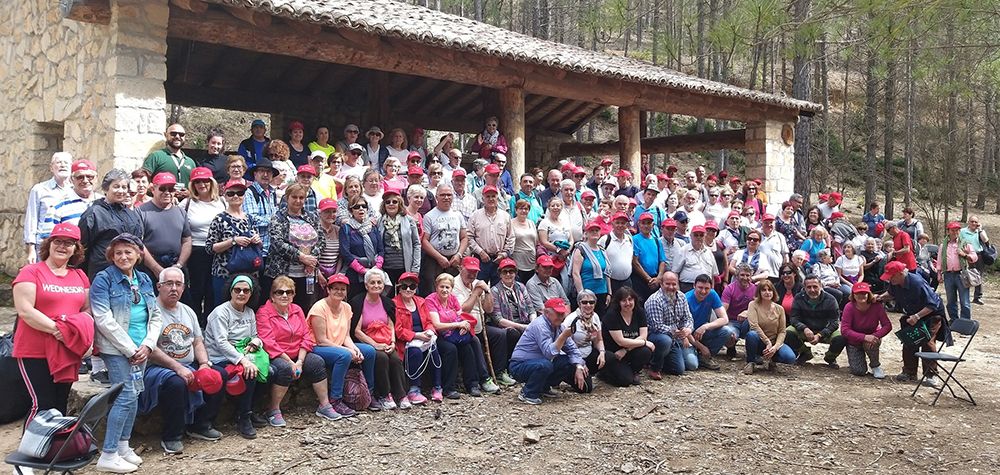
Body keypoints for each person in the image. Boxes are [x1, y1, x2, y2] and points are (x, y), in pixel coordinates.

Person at [11, 222, 92, 440]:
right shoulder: (31, 272)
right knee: (42, 405)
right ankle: (27, 457)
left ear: (76, 249)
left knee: (59, 406)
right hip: (34, 350)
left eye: (69, 243)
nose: (63, 246)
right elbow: (25, 310)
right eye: (58, 241)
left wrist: (79, 335)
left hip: (67, 350)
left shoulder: (80, 276)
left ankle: (52, 451)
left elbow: (86, 309)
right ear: (49, 243)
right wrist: (57, 329)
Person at [90, 233, 163, 472]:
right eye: (118, 252)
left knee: (134, 394)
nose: (123, 256)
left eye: (128, 252)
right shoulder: (104, 279)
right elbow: (102, 318)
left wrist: (148, 345)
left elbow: (155, 315)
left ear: (138, 254)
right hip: (117, 349)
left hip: (141, 348)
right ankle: (108, 454)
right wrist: (131, 349)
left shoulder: (143, 279)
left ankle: (123, 445)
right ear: (111, 255)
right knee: (125, 396)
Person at [140, 267, 220, 454]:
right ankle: (172, 436)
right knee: (177, 383)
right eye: (169, 284)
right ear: (158, 286)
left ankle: (200, 425)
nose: (174, 288)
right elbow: (150, 349)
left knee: (218, 375)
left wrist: (203, 365)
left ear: (184, 288)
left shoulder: (188, 311)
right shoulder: (150, 311)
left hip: (188, 363)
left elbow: (198, 341)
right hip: (157, 367)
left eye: (178, 284)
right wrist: (177, 367)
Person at [203, 275, 263, 438]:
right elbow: (221, 343)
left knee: (271, 371)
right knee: (249, 373)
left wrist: (256, 342)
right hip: (219, 358)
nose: (241, 293)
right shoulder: (220, 313)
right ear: (231, 291)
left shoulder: (249, 312)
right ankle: (244, 417)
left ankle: (248, 410)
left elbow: (255, 335)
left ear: (251, 293)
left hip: (243, 355)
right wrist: (243, 361)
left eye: (246, 290)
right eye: (237, 289)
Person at [508, 297, 592, 405]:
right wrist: (563, 336)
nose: (561, 317)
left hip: (538, 362)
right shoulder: (540, 325)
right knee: (545, 365)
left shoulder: (560, 326)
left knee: (567, 362)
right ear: (547, 313)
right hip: (520, 365)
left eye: (563, 314)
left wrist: (578, 366)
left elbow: (572, 349)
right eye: (558, 314)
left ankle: (543, 387)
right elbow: (549, 353)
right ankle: (528, 393)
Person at [879, 261, 947, 386]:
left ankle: (931, 375)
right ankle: (909, 372)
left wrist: (917, 316)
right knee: (909, 340)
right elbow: (891, 294)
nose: (889, 279)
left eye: (891, 276)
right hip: (913, 314)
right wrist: (880, 297)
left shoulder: (917, 283)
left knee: (927, 342)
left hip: (931, 314)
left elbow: (932, 304)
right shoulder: (895, 283)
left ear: (900, 274)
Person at [425, 273, 491, 398]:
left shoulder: (453, 299)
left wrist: (465, 326)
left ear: (451, 289)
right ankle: (449, 387)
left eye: (447, 287)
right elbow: (437, 325)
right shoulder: (430, 300)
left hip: (453, 334)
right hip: (438, 335)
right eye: (442, 287)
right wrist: (457, 324)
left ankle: (472, 384)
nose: (444, 290)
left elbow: (462, 316)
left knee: (467, 346)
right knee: (451, 349)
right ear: (436, 287)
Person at [351, 270, 409, 410]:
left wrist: (393, 343)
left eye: (379, 282)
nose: (376, 285)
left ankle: (401, 395)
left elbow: (391, 325)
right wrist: (375, 345)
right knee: (381, 357)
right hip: (367, 341)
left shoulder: (387, 302)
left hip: (385, 340)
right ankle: (384, 394)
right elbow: (356, 331)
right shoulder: (358, 302)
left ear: (383, 285)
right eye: (372, 282)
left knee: (395, 358)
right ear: (366, 285)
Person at [264, 183, 324, 311]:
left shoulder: (312, 217)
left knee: (305, 309)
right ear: (287, 197)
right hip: (284, 273)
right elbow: (277, 243)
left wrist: (311, 259)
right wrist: (301, 257)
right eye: (294, 197)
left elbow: (321, 240)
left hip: (307, 274)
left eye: (301, 198)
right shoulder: (278, 218)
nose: (298, 201)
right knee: (282, 309)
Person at [205, 179, 264, 304]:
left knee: (249, 307)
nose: (236, 196)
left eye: (240, 193)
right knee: (223, 308)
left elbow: (260, 245)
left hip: (249, 272)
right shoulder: (219, 219)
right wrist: (233, 241)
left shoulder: (250, 218)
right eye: (231, 194)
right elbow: (210, 247)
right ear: (225, 196)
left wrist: (257, 241)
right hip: (225, 273)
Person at [179, 167, 225, 324]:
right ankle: (195, 322)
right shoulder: (187, 203)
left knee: (213, 289)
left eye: (205, 180)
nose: (201, 184)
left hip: (219, 250)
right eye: (197, 181)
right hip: (196, 250)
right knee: (197, 289)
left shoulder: (222, 202)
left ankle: (211, 322)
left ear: (211, 182)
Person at [391, 272, 444, 403]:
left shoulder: (421, 301)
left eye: (412, 286)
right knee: (415, 352)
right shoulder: (394, 304)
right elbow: (398, 330)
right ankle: (414, 389)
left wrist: (430, 331)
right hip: (405, 342)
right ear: (399, 287)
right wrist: (416, 335)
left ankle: (437, 387)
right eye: (404, 286)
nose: (408, 289)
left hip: (424, 338)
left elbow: (428, 322)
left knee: (434, 349)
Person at [138, 172, 192, 283]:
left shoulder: (181, 212)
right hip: (149, 269)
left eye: (171, 189)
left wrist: (179, 265)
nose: (167, 192)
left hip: (176, 266)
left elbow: (187, 240)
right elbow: (138, 243)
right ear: (153, 189)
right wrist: (156, 268)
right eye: (162, 188)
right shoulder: (141, 212)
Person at [644, 272, 697, 377]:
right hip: (657, 337)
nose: (671, 287)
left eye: (674, 284)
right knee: (665, 341)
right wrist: (676, 332)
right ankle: (653, 364)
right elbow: (657, 326)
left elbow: (688, 318)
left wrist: (687, 330)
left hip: (677, 337)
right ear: (661, 284)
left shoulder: (681, 296)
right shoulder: (655, 300)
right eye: (667, 284)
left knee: (687, 367)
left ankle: (665, 358)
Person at [785, 275, 845, 368]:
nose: (812, 290)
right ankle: (805, 353)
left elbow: (835, 322)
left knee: (840, 338)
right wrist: (804, 328)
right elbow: (794, 318)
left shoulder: (831, 299)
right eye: (809, 287)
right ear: (804, 288)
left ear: (821, 286)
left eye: (815, 286)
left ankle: (830, 358)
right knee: (788, 332)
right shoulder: (798, 298)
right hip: (805, 329)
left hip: (824, 330)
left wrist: (820, 334)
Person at [23, 152, 72, 263]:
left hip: (69, 245)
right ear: (51, 167)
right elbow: (32, 219)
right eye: (59, 162)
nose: (63, 165)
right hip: (45, 244)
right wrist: (31, 250)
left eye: (66, 163)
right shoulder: (39, 189)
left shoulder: (75, 191)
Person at [600, 287, 654, 386]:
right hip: (614, 353)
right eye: (624, 300)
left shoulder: (639, 312)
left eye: (630, 299)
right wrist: (645, 342)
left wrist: (626, 350)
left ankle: (634, 371)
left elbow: (643, 335)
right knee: (625, 381)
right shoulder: (612, 315)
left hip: (627, 350)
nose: (628, 303)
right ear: (618, 302)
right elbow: (620, 341)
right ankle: (605, 373)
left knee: (645, 351)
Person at [420, 184, 468, 294]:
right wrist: (439, 257)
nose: (446, 197)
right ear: (436, 197)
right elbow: (425, 241)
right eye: (442, 195)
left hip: (454, 259)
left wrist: (459, 255)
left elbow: (464, 237)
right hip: (434, 260)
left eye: (449, 195)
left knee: (453, 290)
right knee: (432, 289)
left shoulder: (458, 215)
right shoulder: (429, 216)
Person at [741, 280, 796, 374]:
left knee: (790, 358)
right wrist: (767, 342)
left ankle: (773, 360)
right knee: (751, 335)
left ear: (773, 292)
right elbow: (754, 325)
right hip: (760, 341)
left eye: (770, 290)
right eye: (764, 290)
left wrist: (775, 347)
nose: (767, 292)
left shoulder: (780, 309)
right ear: (759, 292)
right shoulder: (753, 305)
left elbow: (782, 331)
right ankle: (751, 362)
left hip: (774, 342)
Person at [840, 282, 892, 379]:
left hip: (872, 338)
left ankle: (875, 365)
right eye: (858, 293)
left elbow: (887, 325)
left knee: (873, 342)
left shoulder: (877, 306)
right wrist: (864, 337)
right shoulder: (849, 307)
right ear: (853, 295)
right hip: (854, 341)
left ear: (869, 294)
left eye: (864, 293)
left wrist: (875, 336)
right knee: (859, 371)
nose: (861, 296)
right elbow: (845, 330)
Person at [684, 274, 736, 370]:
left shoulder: (712, 294)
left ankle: (705, 357)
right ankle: (699, 353)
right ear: (694, 286)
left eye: (706, 288)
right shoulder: (686, 299)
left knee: (727, 331)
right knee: (692, 365)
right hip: (688, 336)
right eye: (700, 288)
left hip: (702, 333)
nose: (703, 291)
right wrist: (701, 346)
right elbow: (683, 329)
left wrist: (705, 326)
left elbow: (724, 318)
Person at [468, 185, 514, 286]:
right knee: (479, 288)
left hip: (499, 259)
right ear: (482, 198)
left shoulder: (505, 216)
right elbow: (469, 237)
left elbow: (510, 237)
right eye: (488, 196)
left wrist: (504, 254)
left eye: (493, 196)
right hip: (481, 259)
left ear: (497, 197)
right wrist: (480, 252)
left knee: (499, 290)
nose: (491, 199)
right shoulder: (475, 216)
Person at [376, 186, 421, 288]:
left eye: (394, 202)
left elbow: (416, 244)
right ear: (384, 205)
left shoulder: (409, 220)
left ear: (399, 203)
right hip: (386, 268)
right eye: (388, 202)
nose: (391, 204)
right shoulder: (379, 222)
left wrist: (415, 268)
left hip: (405, 267)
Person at [340, 194, 384, 299]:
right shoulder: (346, 228)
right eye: (356, 207)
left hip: (374, 274)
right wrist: (362, 270)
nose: (361, 209)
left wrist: (376, 268)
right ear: (351, 211)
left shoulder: (373, 227)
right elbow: (345, 253)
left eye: (363, 206)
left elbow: (381, 250)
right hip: (355, 276)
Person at [938, 221, 978, 322]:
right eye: (953, 230)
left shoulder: (965, 244)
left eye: (957, 230)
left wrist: (964, 255)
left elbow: (974, 257)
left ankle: (965, 321)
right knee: (951, 300)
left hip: (961, 274)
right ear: (948, 231)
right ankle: (954, 320)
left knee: (964, 301)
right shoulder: (943, 245)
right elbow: (939, 261)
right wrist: (939, 273)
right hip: (948, 275)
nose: (955, 232)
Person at [571, 220, 612, 316]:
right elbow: (575, 273)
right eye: (591, 230)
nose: (594, 232)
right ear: (586, 233)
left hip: (602, 292)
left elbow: (607, 273)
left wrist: (609, 292)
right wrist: (581, 295)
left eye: (597, 230)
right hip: (587, 294)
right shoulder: (580, 249)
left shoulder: (602, 250)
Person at [567, 290, 607, 375]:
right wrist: (579, 362)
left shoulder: (595, 316)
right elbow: (567, 347)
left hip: (589, 352)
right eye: (584, 302)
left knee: (610, 358)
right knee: (586, 388)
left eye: (591, 302)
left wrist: (602, 353)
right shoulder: (571, 320)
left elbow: (599, 340)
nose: (588, 305)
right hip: (574, 357)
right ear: (579, 303)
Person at [52, 159, 100, 227]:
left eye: (89, 177)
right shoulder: (58, 206)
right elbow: (47, 236)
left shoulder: (105, 203)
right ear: (72, 179)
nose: (85, 181)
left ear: (96, 178)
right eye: (80, 177)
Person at [632, 212, 668, 301]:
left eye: (648, 223)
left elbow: (662, 261)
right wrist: (648, 279)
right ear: (639, 224)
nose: (646, 226)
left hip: (655, 279)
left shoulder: (656, 240)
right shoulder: (635, 239)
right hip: (640, 280)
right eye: (643, 223)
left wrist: (659, 278)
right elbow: (635, 262)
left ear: (653, 225)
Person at [672, 225, 719, 292]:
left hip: (706, 288)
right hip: (687, 287)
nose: (699, 237)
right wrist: (678, 291)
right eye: (696, 235)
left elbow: (712, 274)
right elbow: (675, 272)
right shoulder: (683, 250)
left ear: (705, 236)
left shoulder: (709, 252)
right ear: (691, 236)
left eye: (701, 235)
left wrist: (712, 290)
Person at [600, 212, 634, 295]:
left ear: (626, 225)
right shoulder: (605, 240)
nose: (620, 225)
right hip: (611, 282)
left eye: (623, 223)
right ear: (612, 223)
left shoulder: (629, 239)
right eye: (617, 223)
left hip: (627, 282)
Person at [526, 255, 569, 319]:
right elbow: (541, 310)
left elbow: (566, 303)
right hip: (545, 319)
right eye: (544, 267)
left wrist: (566, 319)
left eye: (550, 267)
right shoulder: (531, 284)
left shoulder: (555, 281)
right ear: (537, 269)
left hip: (561, 317)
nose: (548, 270)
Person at [960, 216, 989, 305]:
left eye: (976, 222)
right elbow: (959, 242)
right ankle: (965, 296)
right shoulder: (962, 231)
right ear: (968, 222)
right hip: (966, 256)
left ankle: (977, 297)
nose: (974, 224)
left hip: (978, 255)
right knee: (965, 275)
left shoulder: (979, 232)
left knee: (978, 275)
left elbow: (986, 241)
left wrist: (980, 230)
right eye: (972, 221)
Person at [511, 199, 539, 284]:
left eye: (526, 209)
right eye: (521, 208)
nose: (524, 211)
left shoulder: (531, 223)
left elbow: (536, 242)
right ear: (516, 210)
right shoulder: (511, 223)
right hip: (518, 262)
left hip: (531, 262)